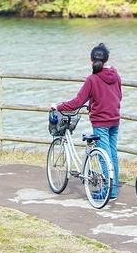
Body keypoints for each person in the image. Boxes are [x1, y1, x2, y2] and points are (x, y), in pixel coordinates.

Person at [52, 43, 122, 199]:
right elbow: (119, 96)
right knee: (113, 154)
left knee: (104, 156)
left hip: (101, 122)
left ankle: (107, 192)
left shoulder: (92, 79)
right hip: (115, 120)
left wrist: (58, 106)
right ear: (107, 59)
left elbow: (77, 102)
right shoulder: (116, 75)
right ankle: (114, 190)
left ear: (92, 60)